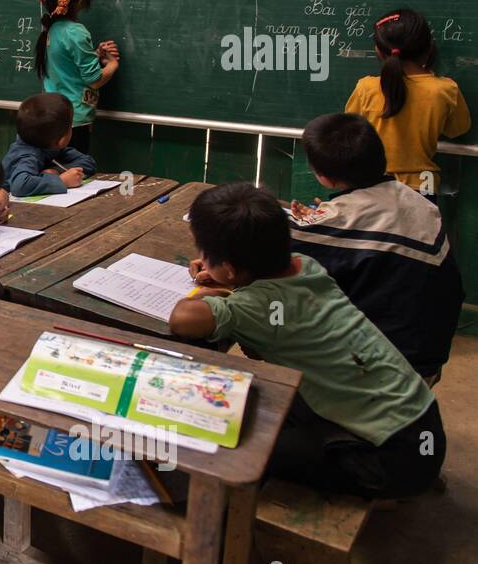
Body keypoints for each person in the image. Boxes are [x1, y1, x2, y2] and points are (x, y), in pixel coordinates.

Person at [169, 182, 445, 500]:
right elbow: (267, 296)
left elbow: (182, 319)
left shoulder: (250, 307)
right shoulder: (305, 265)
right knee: (269, 402)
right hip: (422, 420)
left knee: (232, 440)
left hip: (387, 459)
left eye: (205, 254)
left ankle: (223, 522)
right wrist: (224, 276)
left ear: (230, 269)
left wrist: (210, 289)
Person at [289, 113, 463, 383]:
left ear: (323, 177)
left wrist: (316, 223)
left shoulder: (339, 220)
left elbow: (274, 251)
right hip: (426, 362)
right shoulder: (421, 205)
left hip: (381, 371)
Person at [345, 8, 471, 199]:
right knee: (421, 228)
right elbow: (458, 129)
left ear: (378, 50)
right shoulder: (444, 90)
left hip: (371, 181)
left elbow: (350, 129)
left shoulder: (366, 88)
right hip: (424, 182)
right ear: (428, 48)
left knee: (376, 230)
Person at [34, 0, 119, 154]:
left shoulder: (53, 27)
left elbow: (67, 63)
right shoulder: (75, 32)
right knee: (77, 172)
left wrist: (94, 54)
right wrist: (112, 64)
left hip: (54, 114)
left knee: (62, 170)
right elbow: (94, 80)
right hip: (75, 120)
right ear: (81, 1)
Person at [2, 92, 97, 198]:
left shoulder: (51, 147)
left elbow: (88, 162)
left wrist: (56, 171)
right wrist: (62, 180)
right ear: (62, 140)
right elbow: (19, 186)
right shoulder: (26, 155)